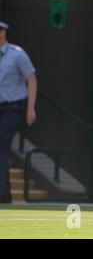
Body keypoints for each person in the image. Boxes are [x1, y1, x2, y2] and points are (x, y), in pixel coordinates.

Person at [0, 21, 37, 203]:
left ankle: (2, 193)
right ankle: (4, 193)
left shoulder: (17, 55)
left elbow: (31, 80)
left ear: (4, 33)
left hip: (11, 108)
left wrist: (30, 109)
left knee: (2, 144)